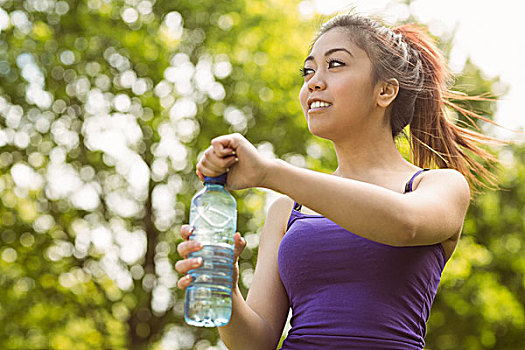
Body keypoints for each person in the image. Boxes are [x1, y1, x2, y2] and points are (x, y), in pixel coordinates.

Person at [175, 13, 498, 350]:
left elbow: (405, 224)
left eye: (336, 65)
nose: (314, 81)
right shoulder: (287, 209)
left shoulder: (438, 186)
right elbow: (255, 343)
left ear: (385, 90)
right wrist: (227, 291)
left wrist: (269, 173)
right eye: (308, 70)